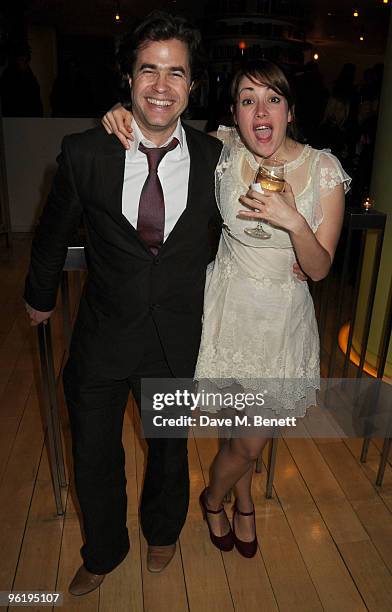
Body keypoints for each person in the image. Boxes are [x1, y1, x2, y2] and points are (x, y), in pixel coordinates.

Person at [103, 59, 349, 558]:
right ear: (234, 115)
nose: (261, 112)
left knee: (249, 442)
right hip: (224, 310)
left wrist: (295, 224)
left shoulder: (323, 169)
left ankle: (211, 496)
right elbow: (160, 120)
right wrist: (120, 112)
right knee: (237, 427)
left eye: (273, 100)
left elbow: (320, 268)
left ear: (290, 110)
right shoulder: (222, 150)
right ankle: (242, 500)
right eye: (247, 100)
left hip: (280, 322)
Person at [24, 11, 223, 595]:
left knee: (167, 453)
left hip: (175, 340)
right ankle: (103, 550)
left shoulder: (217, 159)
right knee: (93, 453)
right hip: (104, 335)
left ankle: (163, 532)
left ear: (192, 85)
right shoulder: (87, 151)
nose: (161, 86)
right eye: (149, 71)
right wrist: (39, 297)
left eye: (176, 74)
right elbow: (51, 230)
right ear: (129, 78)